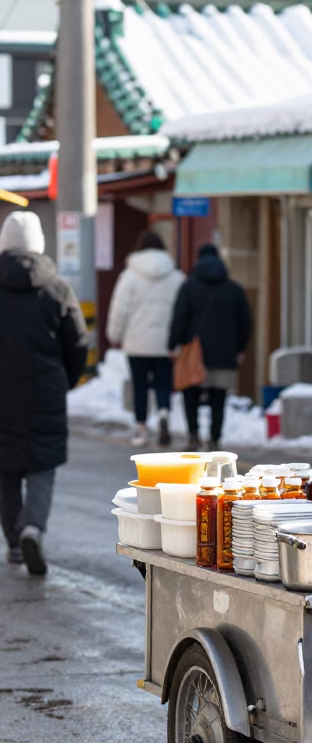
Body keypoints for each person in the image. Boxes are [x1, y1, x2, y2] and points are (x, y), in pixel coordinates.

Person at [0, 211, 88, 575]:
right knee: (42, 466)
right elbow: (78, 342)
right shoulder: (58, 288)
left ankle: (14, 542)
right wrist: (66, 379)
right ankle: (33, 528)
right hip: (45, 390)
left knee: (5, 468)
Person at [168, 242, 251, 451]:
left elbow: (179, 317)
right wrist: (240, 348)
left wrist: (172, 343)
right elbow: (245, 323)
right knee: (218, 398)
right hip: (225, 353)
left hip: (194, 353)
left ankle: (193, 436)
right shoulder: (234, 290)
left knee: (190, 395)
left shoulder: (188, 287)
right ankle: (214, 439)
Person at [105, 229, 184, 447]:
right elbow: (183, 310)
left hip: (136, 341)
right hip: (165, 342)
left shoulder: (129, 276)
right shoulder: (176, 277)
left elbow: (119, 309)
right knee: (163, 383)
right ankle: (164, 413)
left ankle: (141, 428)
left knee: (139, 385)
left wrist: (114, 334)